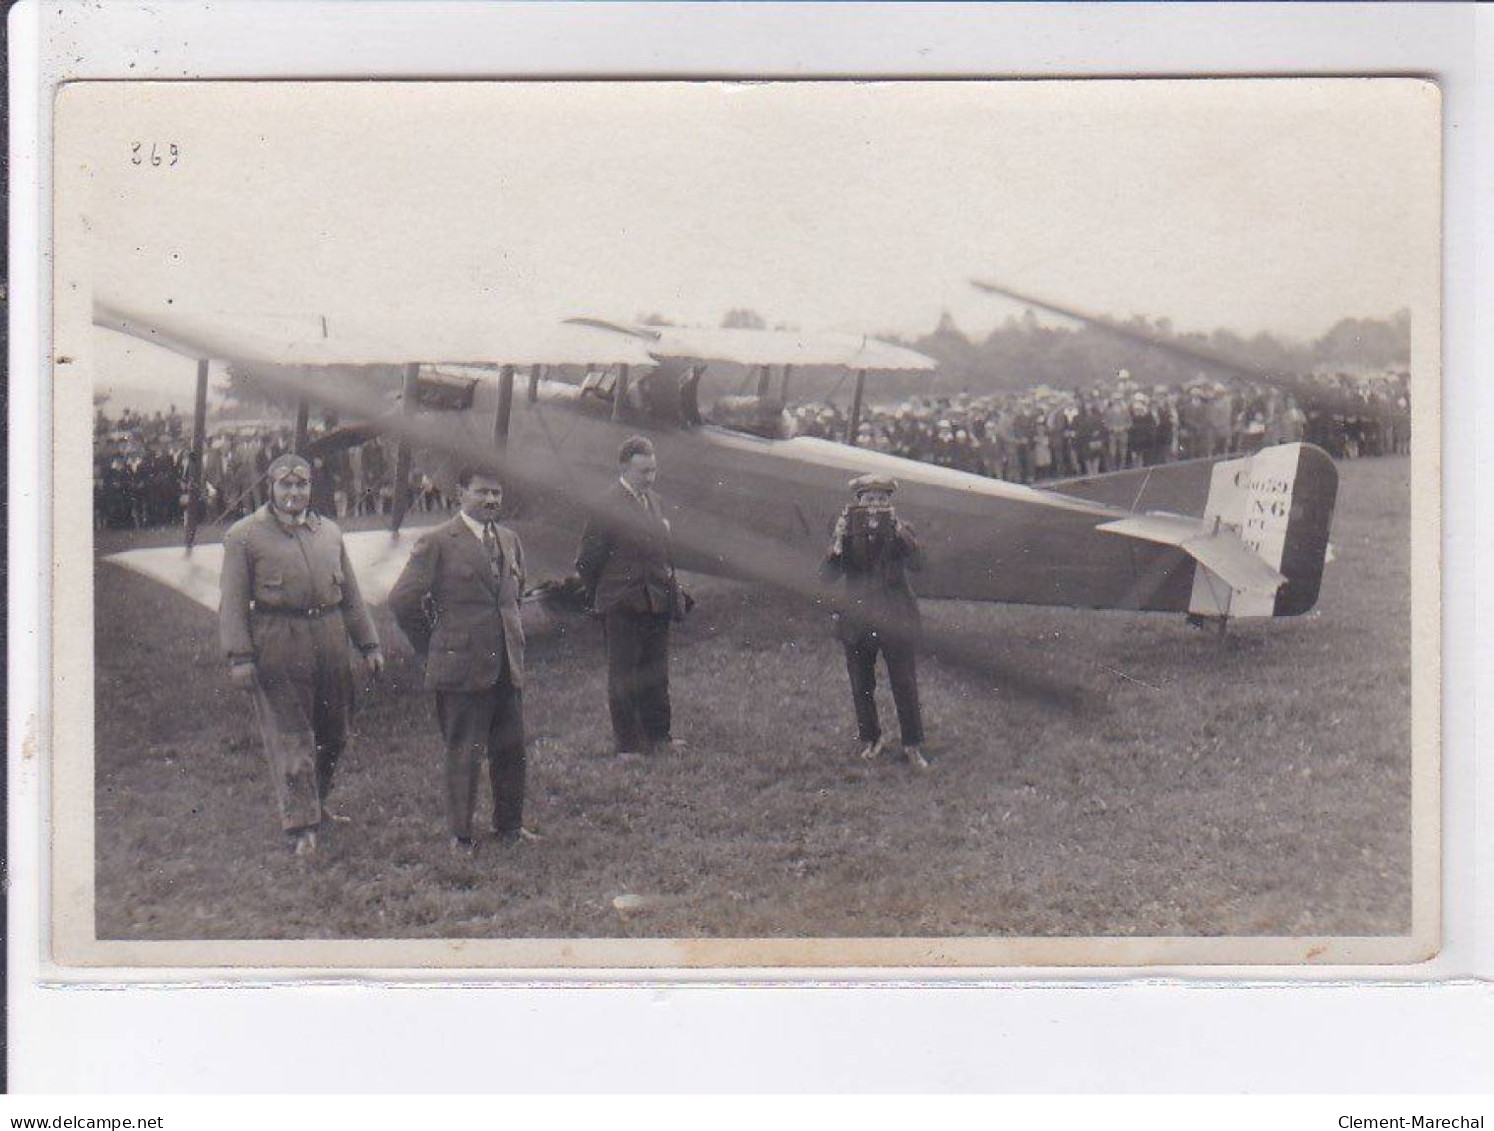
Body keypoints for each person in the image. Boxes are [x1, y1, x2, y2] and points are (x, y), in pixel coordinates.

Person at [219, 453, 384, 858]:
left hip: (328, 637)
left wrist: (369, 643)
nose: (294, 493)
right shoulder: (244, 536)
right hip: (279, 638)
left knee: (334, 732)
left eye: (302, 485)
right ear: (270, 488)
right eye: (285, 485)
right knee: (292, 737)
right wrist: (240, 656)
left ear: (311, 487)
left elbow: (351, 595)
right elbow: (233, 603)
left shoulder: (329, 531)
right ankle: (301, 825)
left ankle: (318, 804)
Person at [388, 467, 532, 853]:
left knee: (511, 747)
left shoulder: (509, 538)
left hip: (506, 664)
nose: (491, 501)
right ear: (460, 493)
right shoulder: (437, 541)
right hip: (462, 666)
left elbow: (514, 596)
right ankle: (462, 834)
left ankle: (510, 826)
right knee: (464, 751)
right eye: (482, 492)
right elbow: (403, 599)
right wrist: (434, 644)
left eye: (497, 493)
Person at [575, 435, 687, 757]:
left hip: (656, 599)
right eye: (643, 472)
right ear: (624, 468)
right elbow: (587, 559)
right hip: (622, 602)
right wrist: (606, 593)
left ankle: (659, 735)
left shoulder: (656, 501)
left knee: (656, 670)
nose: (650, 478)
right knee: (623, 676)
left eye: (653, 471)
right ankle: (628, 744)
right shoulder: (606, 506)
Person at [819, 474, 929, 771]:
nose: (875, 506)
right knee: (861, 683)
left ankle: (912, 744)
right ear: (858, 503)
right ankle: (871, 738)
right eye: (869, 499)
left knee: (904, 682)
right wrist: (837, 543)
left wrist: (898, 532)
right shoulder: (843, 530)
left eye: (881, 500)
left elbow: (919, 565)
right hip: (858, 617)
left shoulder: (902, 530)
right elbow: (826, 577)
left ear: (890, 504)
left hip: (895, 615)